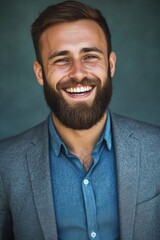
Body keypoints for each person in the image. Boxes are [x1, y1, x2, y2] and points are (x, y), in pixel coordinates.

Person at [0, 1, 160, 239]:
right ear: (40, 73)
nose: (78, 73)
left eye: (90, 56)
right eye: (61, 60)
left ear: (111, 64)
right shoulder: (5, 164)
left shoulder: (156, 148)